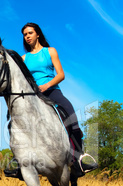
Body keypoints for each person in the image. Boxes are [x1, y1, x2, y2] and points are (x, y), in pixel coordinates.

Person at [21, 22, 97, 176]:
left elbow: (61, 74)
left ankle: (80, 159)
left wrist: (46, 85)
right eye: (25, 34)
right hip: (33, 95)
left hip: (52, 91)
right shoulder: (24, 58)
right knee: (18, 122)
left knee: (71, 116)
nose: (27, 36)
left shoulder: (50, 51)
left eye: (30, 33)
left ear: (38, 34)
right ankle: (19, 162)